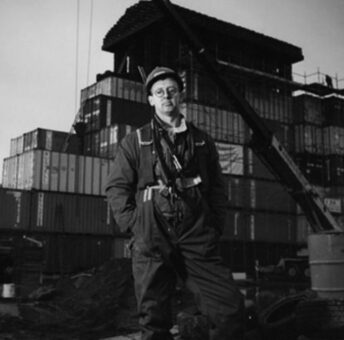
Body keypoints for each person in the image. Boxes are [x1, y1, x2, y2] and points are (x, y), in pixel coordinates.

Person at [105, 66, 245, 339]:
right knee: (153, 320)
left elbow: (217, 189)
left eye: (171, 91)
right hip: (151, 234)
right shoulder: (135, 142)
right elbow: (117, 187)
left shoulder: (202, 141)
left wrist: (215, 226)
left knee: (229, 309)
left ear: (181, 95)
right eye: (159, 92)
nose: (166, 96)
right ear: (150, 99)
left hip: (196, 231)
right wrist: (136, 226)